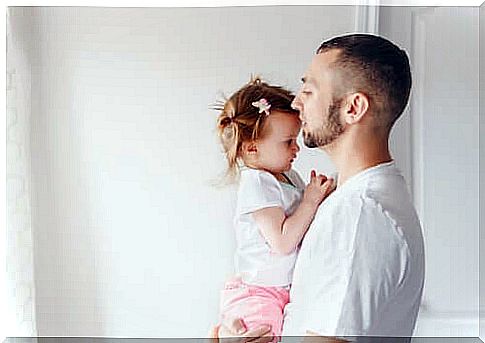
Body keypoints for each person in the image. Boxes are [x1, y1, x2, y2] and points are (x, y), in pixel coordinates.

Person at [213, 34, 425, 342]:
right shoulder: (351, 199)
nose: (296, 103)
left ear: (354, 108)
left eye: (309, 90)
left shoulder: (359, 214)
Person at [213, 77, 336, 341]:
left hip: (279, 290)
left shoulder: (288, 177)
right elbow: (281, 242)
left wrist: (321, 196)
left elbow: (304, 221)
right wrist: (311, 201)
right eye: (288, 141)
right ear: (252, 148)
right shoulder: (257, 182)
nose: (297, 148)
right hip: (259, 293)